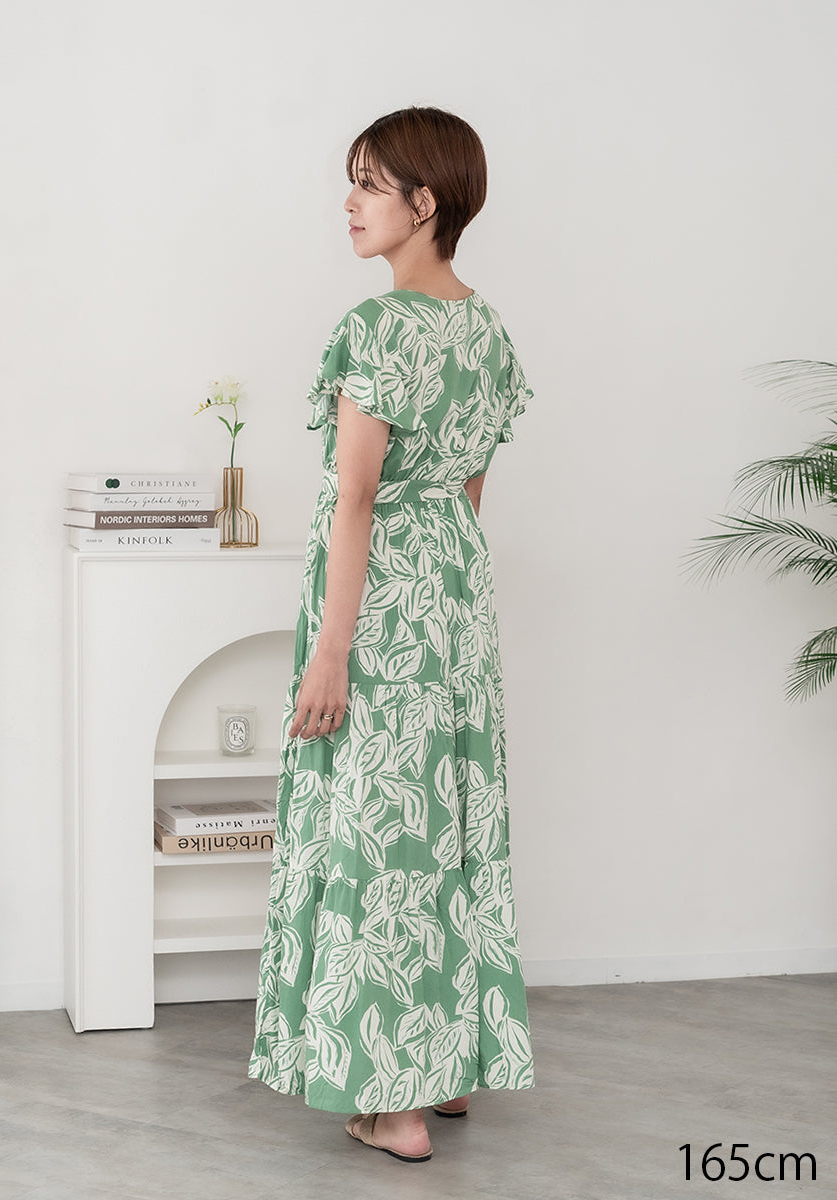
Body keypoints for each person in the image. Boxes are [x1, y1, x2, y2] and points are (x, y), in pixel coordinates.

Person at [247, 105, 535, 1164]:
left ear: (426, 202)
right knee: (444, 826)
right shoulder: (489, 333)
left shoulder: (377, 330)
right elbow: (467, 492)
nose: (350, 202)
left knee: (376, 836)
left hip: (376, 610)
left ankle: (390, 1101)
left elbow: (358, 498)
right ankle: (447, 1067)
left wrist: (333, 650)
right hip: (454, 599)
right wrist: (444, 601)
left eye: (370, 183)